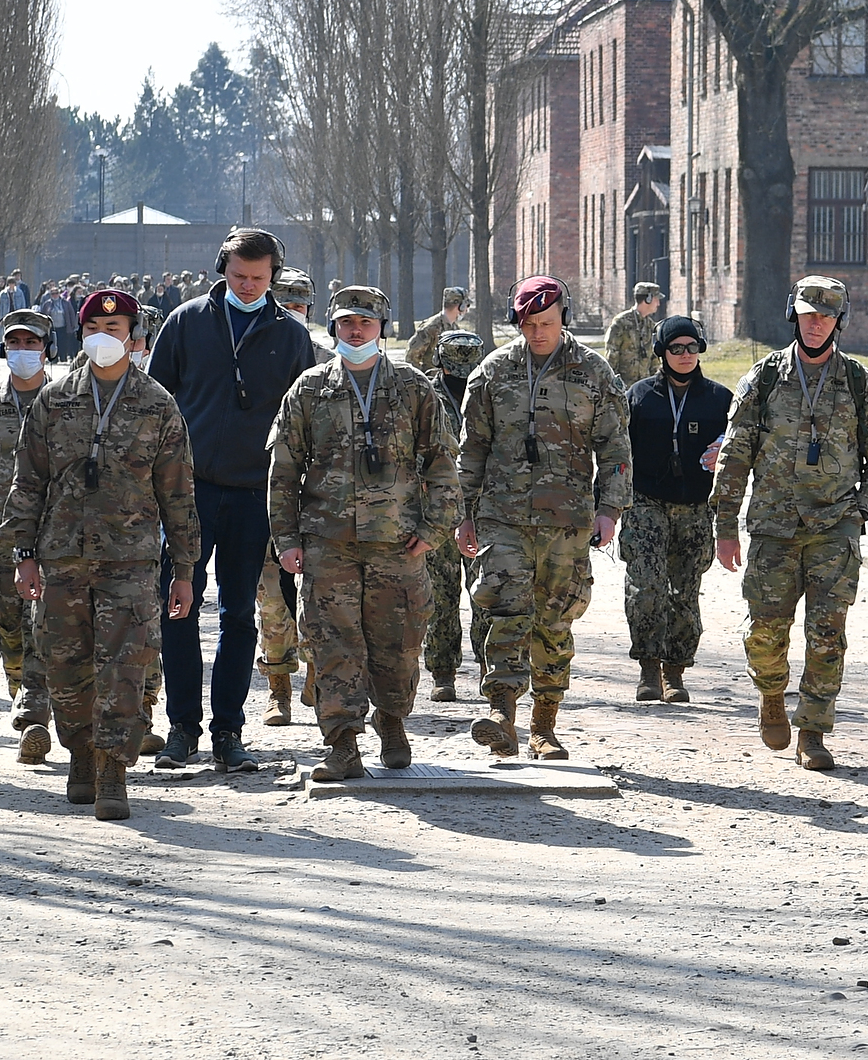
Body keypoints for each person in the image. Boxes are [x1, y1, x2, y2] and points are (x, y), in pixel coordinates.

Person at [4, 288, 200, 820]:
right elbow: (29, 481)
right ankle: (81, 754)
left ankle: (114, 766)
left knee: (126, 667)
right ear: (81, 333)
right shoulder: (54, 400)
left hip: (131, 561)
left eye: (115, 330)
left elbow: (178, 493)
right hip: (63, 558)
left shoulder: (158, 404)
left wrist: (184, 569)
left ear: (134, 338)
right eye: (95, 328)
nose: (105, 338)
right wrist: (23, 553)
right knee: (66, 669)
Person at [707, 275, 868, 772]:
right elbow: (734, 455)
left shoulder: (858, 383)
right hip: (773, 526)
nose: (817, 325)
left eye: (827, 316)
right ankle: (771, 694)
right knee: (765, 632)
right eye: (809, 315)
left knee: (828, 633)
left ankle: (813, 730)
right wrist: (725, 525)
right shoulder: (764, 379)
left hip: (834, 527)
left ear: (840, 321)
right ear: (795, 315)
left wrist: (861, 509)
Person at [145, 226, 314, 772]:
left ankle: (228, 731)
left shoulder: (290, 336)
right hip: (187, 493)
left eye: (258, 278)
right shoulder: (186, 321)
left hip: (252, 494)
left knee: (240, 612)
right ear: (222, 268)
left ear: (274, 278)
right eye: (238, 275)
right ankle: (181, 729)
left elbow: (302, 421)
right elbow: (155, 402)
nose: (246, 286)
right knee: (179, 607)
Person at [268, 285, 452, 779]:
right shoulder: (309, 389)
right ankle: (342, 742)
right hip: (329, 543)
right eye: (347, 323)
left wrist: (435, 528)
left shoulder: (413, 388)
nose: (356, 331)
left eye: (366, 324)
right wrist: (285, 540)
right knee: (332, 642)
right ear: (333, 328)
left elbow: (441, 464)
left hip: (399, 543)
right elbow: (283, 472)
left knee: (400, 640)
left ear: (382, 329)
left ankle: (392, 721)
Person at [454, 276, 629, 760]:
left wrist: (610, 509)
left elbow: (615, 450)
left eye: (546, 324)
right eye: (528, 325)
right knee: (505, 608)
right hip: (503, 516)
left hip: (567, 520)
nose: (537, 334)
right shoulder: (491, 373)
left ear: (563, 319)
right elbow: (472, 450)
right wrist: (462, 515)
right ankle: (501, 712)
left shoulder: (594, 373)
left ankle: (544, 726)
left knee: (555, 622)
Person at [623, 315, 730, 704]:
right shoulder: (638, 396)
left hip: (696, 507)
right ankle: (648, 668)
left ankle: (676, 670)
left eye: (692, 347)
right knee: (646, 587)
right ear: (662, 352)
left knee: (684, 591)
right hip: (645, 504)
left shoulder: (719, 399)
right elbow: (617, 450)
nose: (685, 355)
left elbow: (738, 446)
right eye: (676, 348)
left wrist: (724, 454)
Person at [0, 306, 59, 761]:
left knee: (41, 618)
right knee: (7, 617)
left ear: (47, 349)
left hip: (50, 529)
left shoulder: (65, 401)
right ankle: (20, 689)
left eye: (31, 343)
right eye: (15, 343)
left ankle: (34, 714)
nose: (23, 351)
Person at [255, 265, 328, 725]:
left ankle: (318, 673)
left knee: (323, 594)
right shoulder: (250, 355)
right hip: (266, 491)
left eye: (300, 305)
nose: (292, 313)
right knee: (269, 594)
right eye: (285, 303)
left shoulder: (328, 360)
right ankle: (277, 686)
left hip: (321, 496)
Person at [423, 327, 488, 702]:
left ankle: (486, 666)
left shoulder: (488, 391)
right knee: (441, 594)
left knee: (485, 592)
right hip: (437, 506)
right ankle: (442, 672)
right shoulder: (425, 393)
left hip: (482, 504)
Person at [602, 281, 666, 389]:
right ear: (648, 299)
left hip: (644, 388)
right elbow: (611, 356)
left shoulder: (651, 326)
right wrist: (614, 385)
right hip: (623, 387)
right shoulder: (621, 322)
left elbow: (654, 359)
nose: (658, 304)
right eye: (656, 299)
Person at [404, 286, 468, 372]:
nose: (467, 309)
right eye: (466, 305)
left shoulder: (454, 329)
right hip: (430, 382)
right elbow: (411, 359)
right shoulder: (430, 328)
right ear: (460, 306)